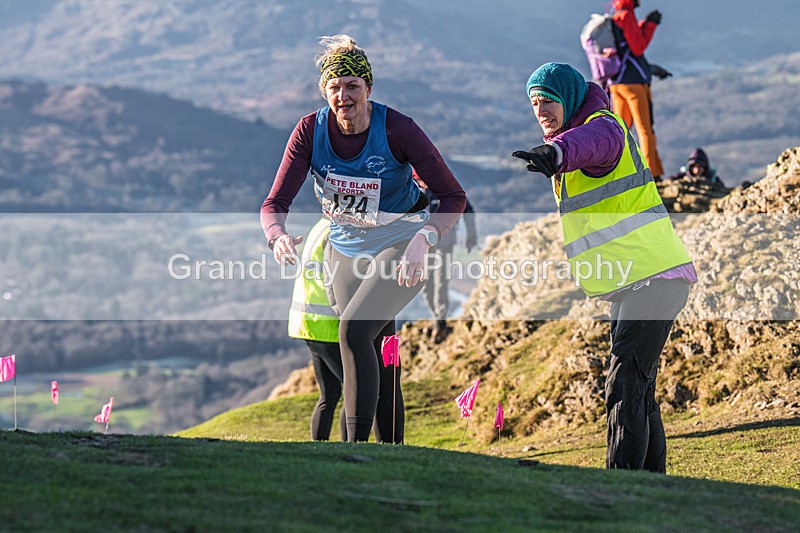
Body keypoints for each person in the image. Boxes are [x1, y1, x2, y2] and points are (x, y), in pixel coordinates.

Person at [262, 35, 466, 443]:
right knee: (379, 352)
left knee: (353, 332)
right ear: (325, 92)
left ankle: (355, 448)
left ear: (369, 89)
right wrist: (277, 235)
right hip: (345, 251)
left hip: (402, 243)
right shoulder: (308, 131)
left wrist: (424, 238)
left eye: (353, 85)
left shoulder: (398, 129)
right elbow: (274, 203)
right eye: (334, 87)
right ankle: (392, 452)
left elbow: (453, 196)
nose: (344, 96)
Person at [512, 62, 697, 473]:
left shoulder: (605, 127)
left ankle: (622, 482)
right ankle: (651, 484)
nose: (541, 110)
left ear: (571, 100)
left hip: (653, 278)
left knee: (624, 386)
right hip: (636, 282)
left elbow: (592, 143)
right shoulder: (575, 136)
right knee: (639, 389)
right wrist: (557, 150)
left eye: (549, 101)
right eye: (534, 103)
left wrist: (557, 152)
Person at [287, 217, 396, 441]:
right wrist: (348, 316)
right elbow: (331, 277)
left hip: (308, 321)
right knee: (353, 387)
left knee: (330, 394)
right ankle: (350, 445)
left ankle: (319, 446)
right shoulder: (339, 230)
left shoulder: (321, 224)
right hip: (328, 324)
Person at [607, 0, 670, 179]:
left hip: (616, 84)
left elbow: (626, 43)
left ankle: (617, 173)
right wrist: (650, 26)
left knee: (621, 131)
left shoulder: (615, 15)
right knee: (645, 130)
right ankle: (652, 174)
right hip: (634, 85)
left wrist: (642, 24)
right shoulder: (626, 15)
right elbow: (637, 47)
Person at [413, 171, 478, 343]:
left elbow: (467, 208)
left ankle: (439, 322)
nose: (422, 184)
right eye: (419, 181)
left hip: (445, 242)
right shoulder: (414, 192)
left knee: (441, 282)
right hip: (423, 246)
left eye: (423, 180)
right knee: (426, 284)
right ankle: (436, 316)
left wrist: (471, 237)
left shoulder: (445, 190)